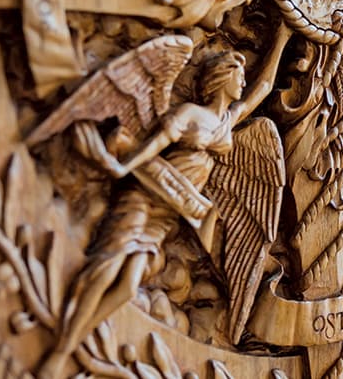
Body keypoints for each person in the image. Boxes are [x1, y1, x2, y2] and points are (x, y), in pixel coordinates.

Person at [38, 30, 289, 379]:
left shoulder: (227, 121)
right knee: (107, 268)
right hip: (145, 196)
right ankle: (61, 347)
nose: (243, 80)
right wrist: (122, 167)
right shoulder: (188, 114)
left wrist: (283, 37)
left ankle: (74, 340)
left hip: (169, 213)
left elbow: (263, 88)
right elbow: (154, 145)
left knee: (127, 286)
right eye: (237, 74)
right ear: (219, 78)